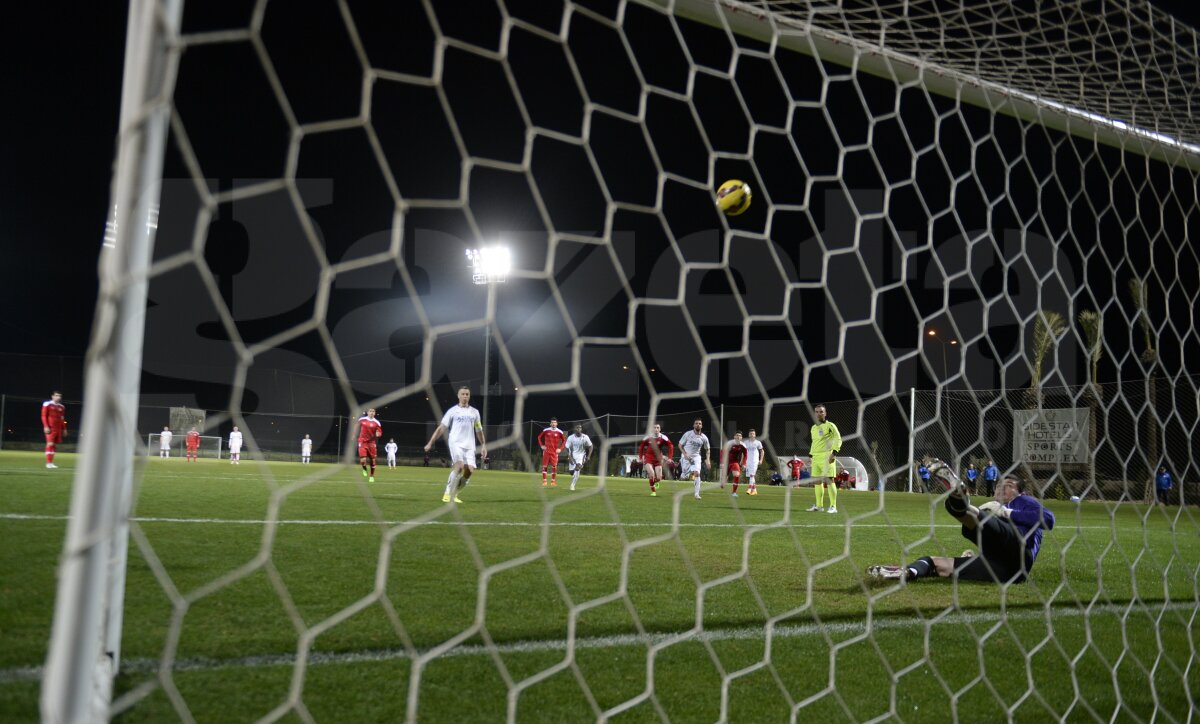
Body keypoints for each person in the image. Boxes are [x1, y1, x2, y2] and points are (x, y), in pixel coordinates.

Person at [868, 463, 1056, 584]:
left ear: (1020, 492)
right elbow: (995, 537)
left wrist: (1007, 512)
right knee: (937, 563)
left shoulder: (1024, 502)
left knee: (983, 519)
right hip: (1003, 571)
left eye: (1008, 486)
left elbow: (1049, 520)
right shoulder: (993, 507)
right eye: (999, 485)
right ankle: (910, 571)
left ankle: (963, 504)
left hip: (1019, 555)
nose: (1001, 488)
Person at [424, 386, 487, 504]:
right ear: (458, 396)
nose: (465, 396)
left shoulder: (475, 412)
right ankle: (447, 492)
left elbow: (479, 430)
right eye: (463, 394)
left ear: (469, 396)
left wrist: (483, 445)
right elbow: (441, 428)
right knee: (459, 466)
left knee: (469, 471)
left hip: (470, 445)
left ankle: (455, 492)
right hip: (455, 443)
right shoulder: (452, 411)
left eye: (467, 394)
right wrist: (430, 442)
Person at [806, 404, 842, 513]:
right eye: (816, 412)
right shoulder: (813, 428)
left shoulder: (830, 426)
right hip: (816, 457)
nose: (819, 413)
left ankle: (833, 506)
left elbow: (838, 438)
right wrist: (810, 456)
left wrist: (834, 453)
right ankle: (819, 506)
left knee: (829, 480)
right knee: (817, 481)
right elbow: (814, 443)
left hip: (827, 456)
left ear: (825, 413)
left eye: (821, 411)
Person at [678, 418, 712, 500]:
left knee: (697, 473)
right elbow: (680, 445)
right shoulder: (688, 434)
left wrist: (708, 460)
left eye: (700, 423)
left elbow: (707, 449)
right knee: (684, 477)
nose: (698, 425)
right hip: (686, 457)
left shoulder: (704, 437)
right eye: (696, 423)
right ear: (693, 425)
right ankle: (684, 474)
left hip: (696, 457)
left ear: (702, 425)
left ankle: (697, 494)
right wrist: (685, 454)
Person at [638, 423, 674, 497]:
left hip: (658, 459)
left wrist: (670, 458)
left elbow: (671, 446)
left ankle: (656, 482)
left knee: (659, 478)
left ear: (660, 429)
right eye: (654, 428)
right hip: (648, 458)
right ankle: (653, 491)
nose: (656, 429)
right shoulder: (648, 437)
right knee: (651, 474)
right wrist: (640, 457)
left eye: (658, 428)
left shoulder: (663, 437)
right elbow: (641, 446)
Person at [41, 391, 67, 469]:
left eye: (59, 396)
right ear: (52, 396)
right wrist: (46, 426)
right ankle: (48, 463)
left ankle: (51, 463)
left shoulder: (62, 407)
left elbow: (62, 419)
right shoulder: (47, 404)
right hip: (50, 427)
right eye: (56, 395)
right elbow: (43, 416)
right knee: (50, 444)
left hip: (58, 428)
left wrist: (64, 429)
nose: (58, 397)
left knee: (54, 446)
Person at [538, 417, 566, 488]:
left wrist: (560, 449)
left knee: (554, 467)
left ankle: (553, 482)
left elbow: (564, 441)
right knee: (545, 466)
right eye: (552, 422)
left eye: (555, 422)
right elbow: (539, 437)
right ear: (550, 423)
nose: (553, 424)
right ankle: (544, 481)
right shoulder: (546, 430)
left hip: (554, 453)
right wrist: (542, 445)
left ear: (557, 423)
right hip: (546, 452)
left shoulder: (560, 432)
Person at [564, 423, 593, 491]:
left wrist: (588, 456)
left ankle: (572, 485)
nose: (578, 429)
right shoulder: (570, 437)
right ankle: (574, 471)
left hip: (581, 455)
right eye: (577, 428)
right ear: (574, 429)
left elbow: (591, 446)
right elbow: (567, 448)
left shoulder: (585, 437)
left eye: (580, 428)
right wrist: (569, 457)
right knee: (571, 472)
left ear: (581, 429)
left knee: (577, 469)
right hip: (572, 456)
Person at [357, 409, 383, 482]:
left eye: (373, 411)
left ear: (375, 413)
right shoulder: (362, 419)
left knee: (373, 460)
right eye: (370, 411)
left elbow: (379, 431)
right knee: (363, 459)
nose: (372, 412)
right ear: (368, 412)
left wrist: (378, 433)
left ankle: (371, 476)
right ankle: (364, 469)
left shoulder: (377, 422)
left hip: (371, 443)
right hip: (362, 441)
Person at [721, 431, 749, 497]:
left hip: (734, 462)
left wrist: (744, 463)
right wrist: (722, 462)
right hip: (726, 462)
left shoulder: (742, 445)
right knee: (723, 482)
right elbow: (722, 452)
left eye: (739, 435)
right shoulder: (729, 443)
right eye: (737, 435)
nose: (738, 436)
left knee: (737, 475)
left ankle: (734, 492)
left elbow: (745, 455)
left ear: (741, 437)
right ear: (734, 437)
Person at [742, 429, 764, 495]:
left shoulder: (758, 442)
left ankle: (749, 489)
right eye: (751, 433)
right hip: (748, 461)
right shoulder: (745, 442)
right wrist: (743, 461)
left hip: (755, 461)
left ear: (755, 435)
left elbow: (762, 451)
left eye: (753, 434)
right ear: (749, 435)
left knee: (752, 475)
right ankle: (754, 490)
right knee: (751, 476)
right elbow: (743, 453)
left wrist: (761, 460)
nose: (752, 435)